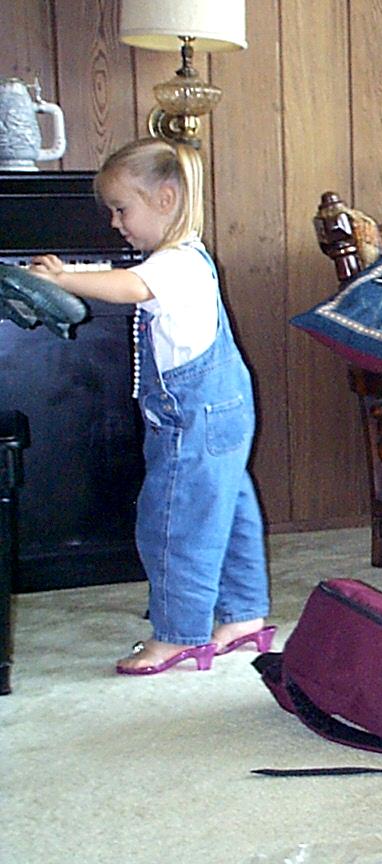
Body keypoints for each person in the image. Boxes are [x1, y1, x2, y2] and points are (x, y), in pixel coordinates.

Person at [30, 138, 273, 676]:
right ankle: (243, 615)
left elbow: (129, 286)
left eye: (122, 209)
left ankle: (177, 634)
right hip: (223, 410)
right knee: (228, 510)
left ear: (165, 199)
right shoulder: (189, 257)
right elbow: (131, 281)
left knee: (172, 522)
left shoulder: (171, 265)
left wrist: (64, 278)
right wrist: (72, 272)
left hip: (193, 421)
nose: (116, 223)